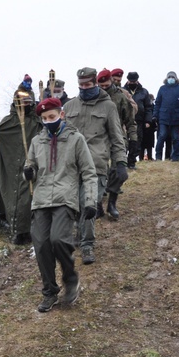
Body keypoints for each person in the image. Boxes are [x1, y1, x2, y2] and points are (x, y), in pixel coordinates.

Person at [24, 98, 97, 312]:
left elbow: (89, 172)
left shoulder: (76, 139)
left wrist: (90, 200)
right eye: (45, 119)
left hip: (66, 198)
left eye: (52, 117)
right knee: (41, 243)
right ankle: (50, 291)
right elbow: (30, 166)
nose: (48, 121)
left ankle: (70, 278)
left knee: (58, 239)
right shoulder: (37, 141)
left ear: (62, 115)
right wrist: (28, 172)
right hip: (41, 199)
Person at [63, 67, 126, 264]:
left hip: (96, 165)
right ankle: (76, 234)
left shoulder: (108, 107)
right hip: (71, 165)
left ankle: (87, 244)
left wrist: (121, 162)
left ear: (95, 83)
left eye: (88, 85)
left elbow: (117, 137)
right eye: (81, 85)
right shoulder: (69, 106)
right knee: (73, 204)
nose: (84, 88)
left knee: (89, 204)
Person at [0, 89, 42, 245]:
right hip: (10, 165)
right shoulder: (7, 122)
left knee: (27, 196)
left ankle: (26, 230)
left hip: (31, 165)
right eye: (20, 102)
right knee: (12, 195)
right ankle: (16, 230)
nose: (23, 105)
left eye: (27, 102)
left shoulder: (37, 122)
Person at [96, 69, 135, 219]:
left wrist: (134, 139)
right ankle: (98, 204)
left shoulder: (120, 97)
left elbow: (130, 121)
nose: (103, 87)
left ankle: (112, 202)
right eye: (101, 85)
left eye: (106, 84)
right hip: (98, 139)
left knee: (120, 173)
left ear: (111, 81)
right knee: (98, 172)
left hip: (118, 138)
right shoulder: (94, 97)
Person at [153, 71, 179, 161]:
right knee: (162, 136)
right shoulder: (162, 88)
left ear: (175, 78)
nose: (171, 78)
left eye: (172, 77)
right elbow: (158, 102)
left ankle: (176, 157)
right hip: (163, 116)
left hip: (176, 117)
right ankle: (158, 156)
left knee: (175, 137)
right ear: (167, 78)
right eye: (169, 77)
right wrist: (155, 115)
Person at [124, 71, 153, 166]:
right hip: (124, 120)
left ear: (137, 80)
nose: (132, 83)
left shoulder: (144, 92)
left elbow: (148, 107)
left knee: (137, 141)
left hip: (139, 121)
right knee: (124, 141)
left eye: (134, 81)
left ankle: (131, 161)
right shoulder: (122, 91)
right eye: (130, 81)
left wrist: (148, 120)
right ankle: (122, 160)